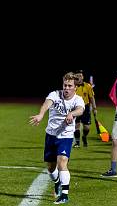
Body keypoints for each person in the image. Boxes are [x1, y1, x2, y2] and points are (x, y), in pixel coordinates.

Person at [29, 72, 85, 204]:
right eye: (65, 85)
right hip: (51, 135)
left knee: (62, 162)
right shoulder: (55, 94)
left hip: (65, 136)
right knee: (50, 167)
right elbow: (47, 103)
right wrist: (41, 114)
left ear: (75, 87)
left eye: (69, 86)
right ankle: (57, 182)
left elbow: (80, 110)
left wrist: (72, 113)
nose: (66, 88)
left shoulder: (78, 99)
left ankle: (64, 194)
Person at [72, 70, 97, 148]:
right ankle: (77, 142)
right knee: (76, 125)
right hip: (75, 107)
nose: (79, 77)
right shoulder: (72, 86)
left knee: (87, 127)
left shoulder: (88, 86)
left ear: (82, 77)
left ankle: (84, 136)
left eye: (80, 75)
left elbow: (91, 97)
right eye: (77, 75)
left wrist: (94, 108)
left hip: (85, 108)